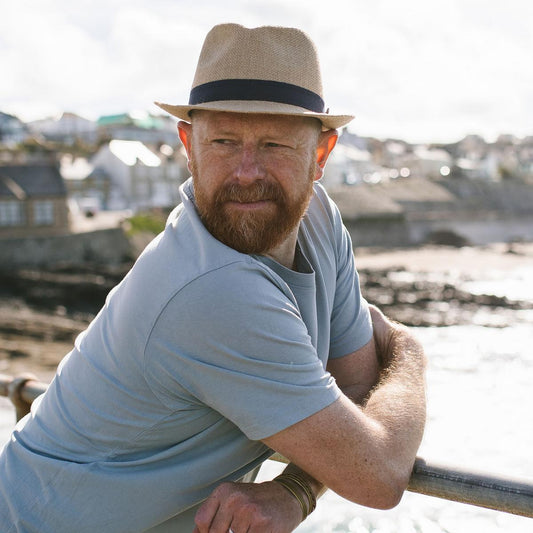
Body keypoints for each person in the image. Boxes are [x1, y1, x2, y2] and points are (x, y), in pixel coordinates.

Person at [0, 23, 426, 532]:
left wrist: (294, 490)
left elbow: (357, 389)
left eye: (274, 145)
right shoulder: (213, 288)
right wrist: (409, 353)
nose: (246, 172)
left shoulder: (318, 221)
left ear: (320, 155)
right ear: (188, 144)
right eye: (224, 142)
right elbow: (379, 474)